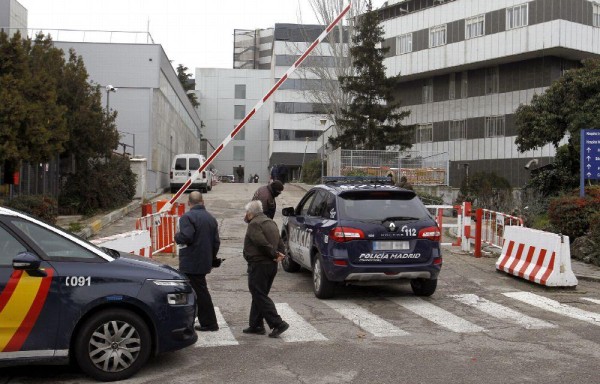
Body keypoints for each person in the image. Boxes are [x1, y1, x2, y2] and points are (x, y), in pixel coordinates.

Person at [242, 200, 289, 338]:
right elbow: (279, 241)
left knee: (259, 294)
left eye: (246, 212)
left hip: (259, 265)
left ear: (250, 213)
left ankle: (278, 323)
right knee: (259, 294)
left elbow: (261, 243)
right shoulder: (270, 222)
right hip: (271, 265)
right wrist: (280, 253)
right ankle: (256, 325)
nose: (246, 215)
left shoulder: (254, 224)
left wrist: (275, 254)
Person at [174, 191, 220, 332]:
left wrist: (177, 236)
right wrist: (211, 259)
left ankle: (208, 323)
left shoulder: (187, 217)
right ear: (202, 201)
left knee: (196, 292)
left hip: (191, 262)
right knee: (198, 291)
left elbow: (187, 236)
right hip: (204, 261)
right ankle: (202, 321)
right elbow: (216, 242)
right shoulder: (211, 219)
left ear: (189, 203)